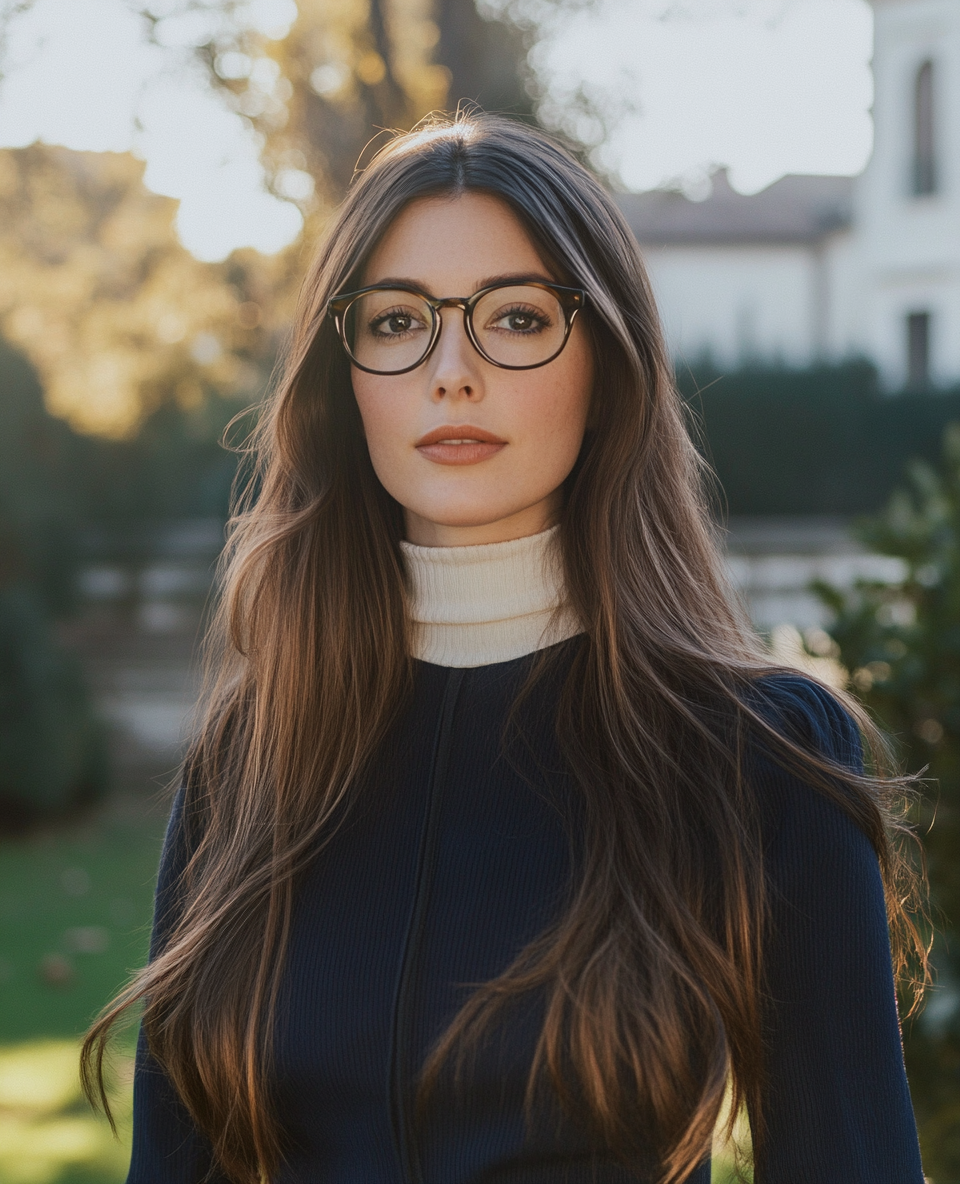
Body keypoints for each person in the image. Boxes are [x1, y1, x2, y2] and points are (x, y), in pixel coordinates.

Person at [83, 114, 927, 1184]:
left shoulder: (763, 756)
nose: (451, 370)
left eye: (517, 317)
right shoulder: (250, 760)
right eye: (396, 321)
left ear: (608, 363)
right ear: (345, 378)